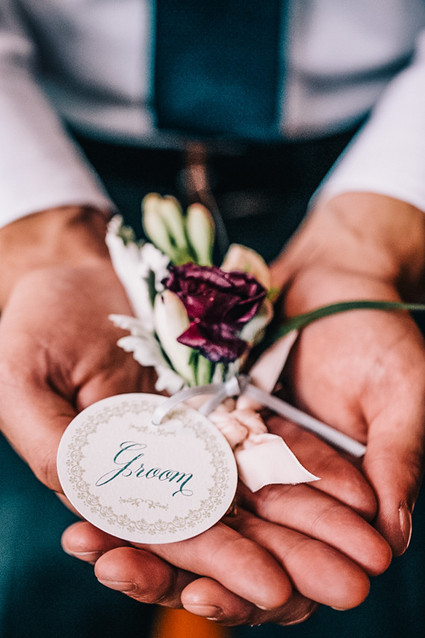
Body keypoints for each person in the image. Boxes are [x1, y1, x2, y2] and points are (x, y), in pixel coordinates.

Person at [1, 1, 425, 636]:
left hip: (373, 150)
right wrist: (39, 240)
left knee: (376, 593)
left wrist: (377, 234)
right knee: (34, 572)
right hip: (49, 143)